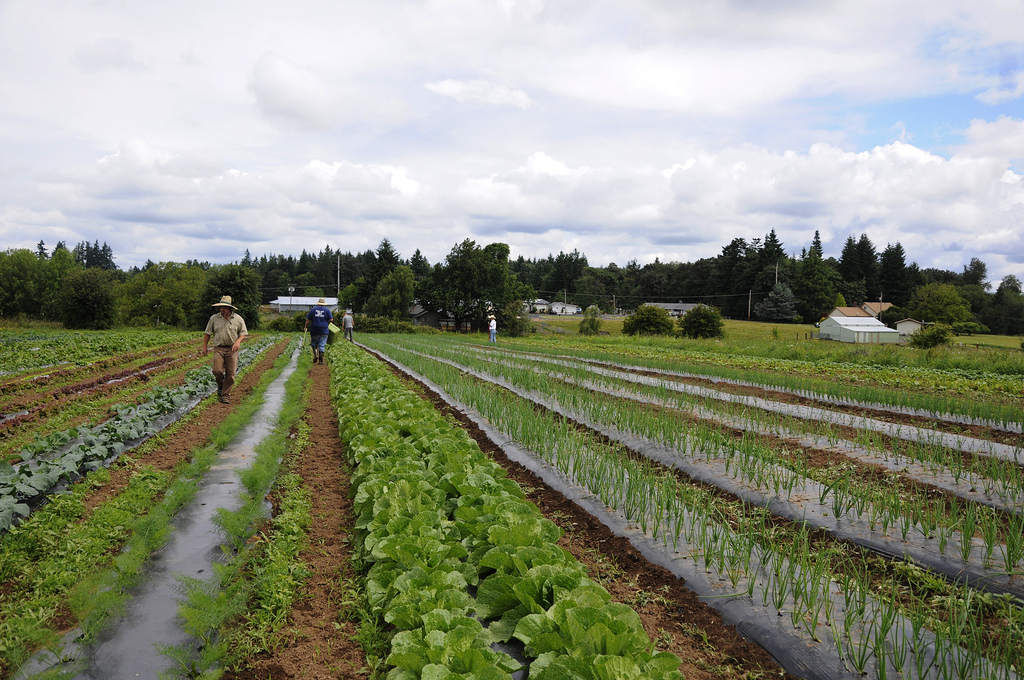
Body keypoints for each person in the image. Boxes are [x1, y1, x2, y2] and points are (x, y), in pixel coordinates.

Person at [202, 295, 247, 404]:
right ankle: (221, 385)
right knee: (217, 371)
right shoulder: (214, 318)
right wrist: (204, 346)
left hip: (232, 349)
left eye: (224, 307)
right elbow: (207, 333)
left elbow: (244, 334)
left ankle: (225, 395)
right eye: (221, 307)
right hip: (219, 348)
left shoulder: (238, 319)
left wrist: (238, 342)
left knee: (231, 374)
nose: (222, 309)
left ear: (229, 308)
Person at [304, 297, 333, 364]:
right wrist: (327, 323)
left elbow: (308, 320)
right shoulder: (327, 310)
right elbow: (331, 319)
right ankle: (321, 360)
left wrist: (305, 327)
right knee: (322, 344)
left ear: (318, 303)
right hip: (324, 330)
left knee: (314, 343)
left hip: (314, 329)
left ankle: (315, 354)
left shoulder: (313, 310)